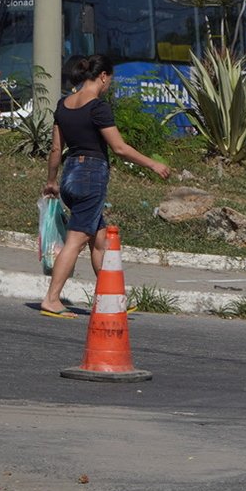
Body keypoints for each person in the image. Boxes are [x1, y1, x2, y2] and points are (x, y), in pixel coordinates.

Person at [39, 55, 171, 316]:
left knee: (100, 240)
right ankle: (52, 299)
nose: (110, 84)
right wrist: (153, 164)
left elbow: (56, 149)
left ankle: (112, 298)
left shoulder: (63, 105)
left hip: (69, 176)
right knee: (76, 240)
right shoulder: (98, 108)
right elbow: (119, 148)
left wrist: (52, 181)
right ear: (103, 76)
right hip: (90, 176)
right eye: (110, 79)